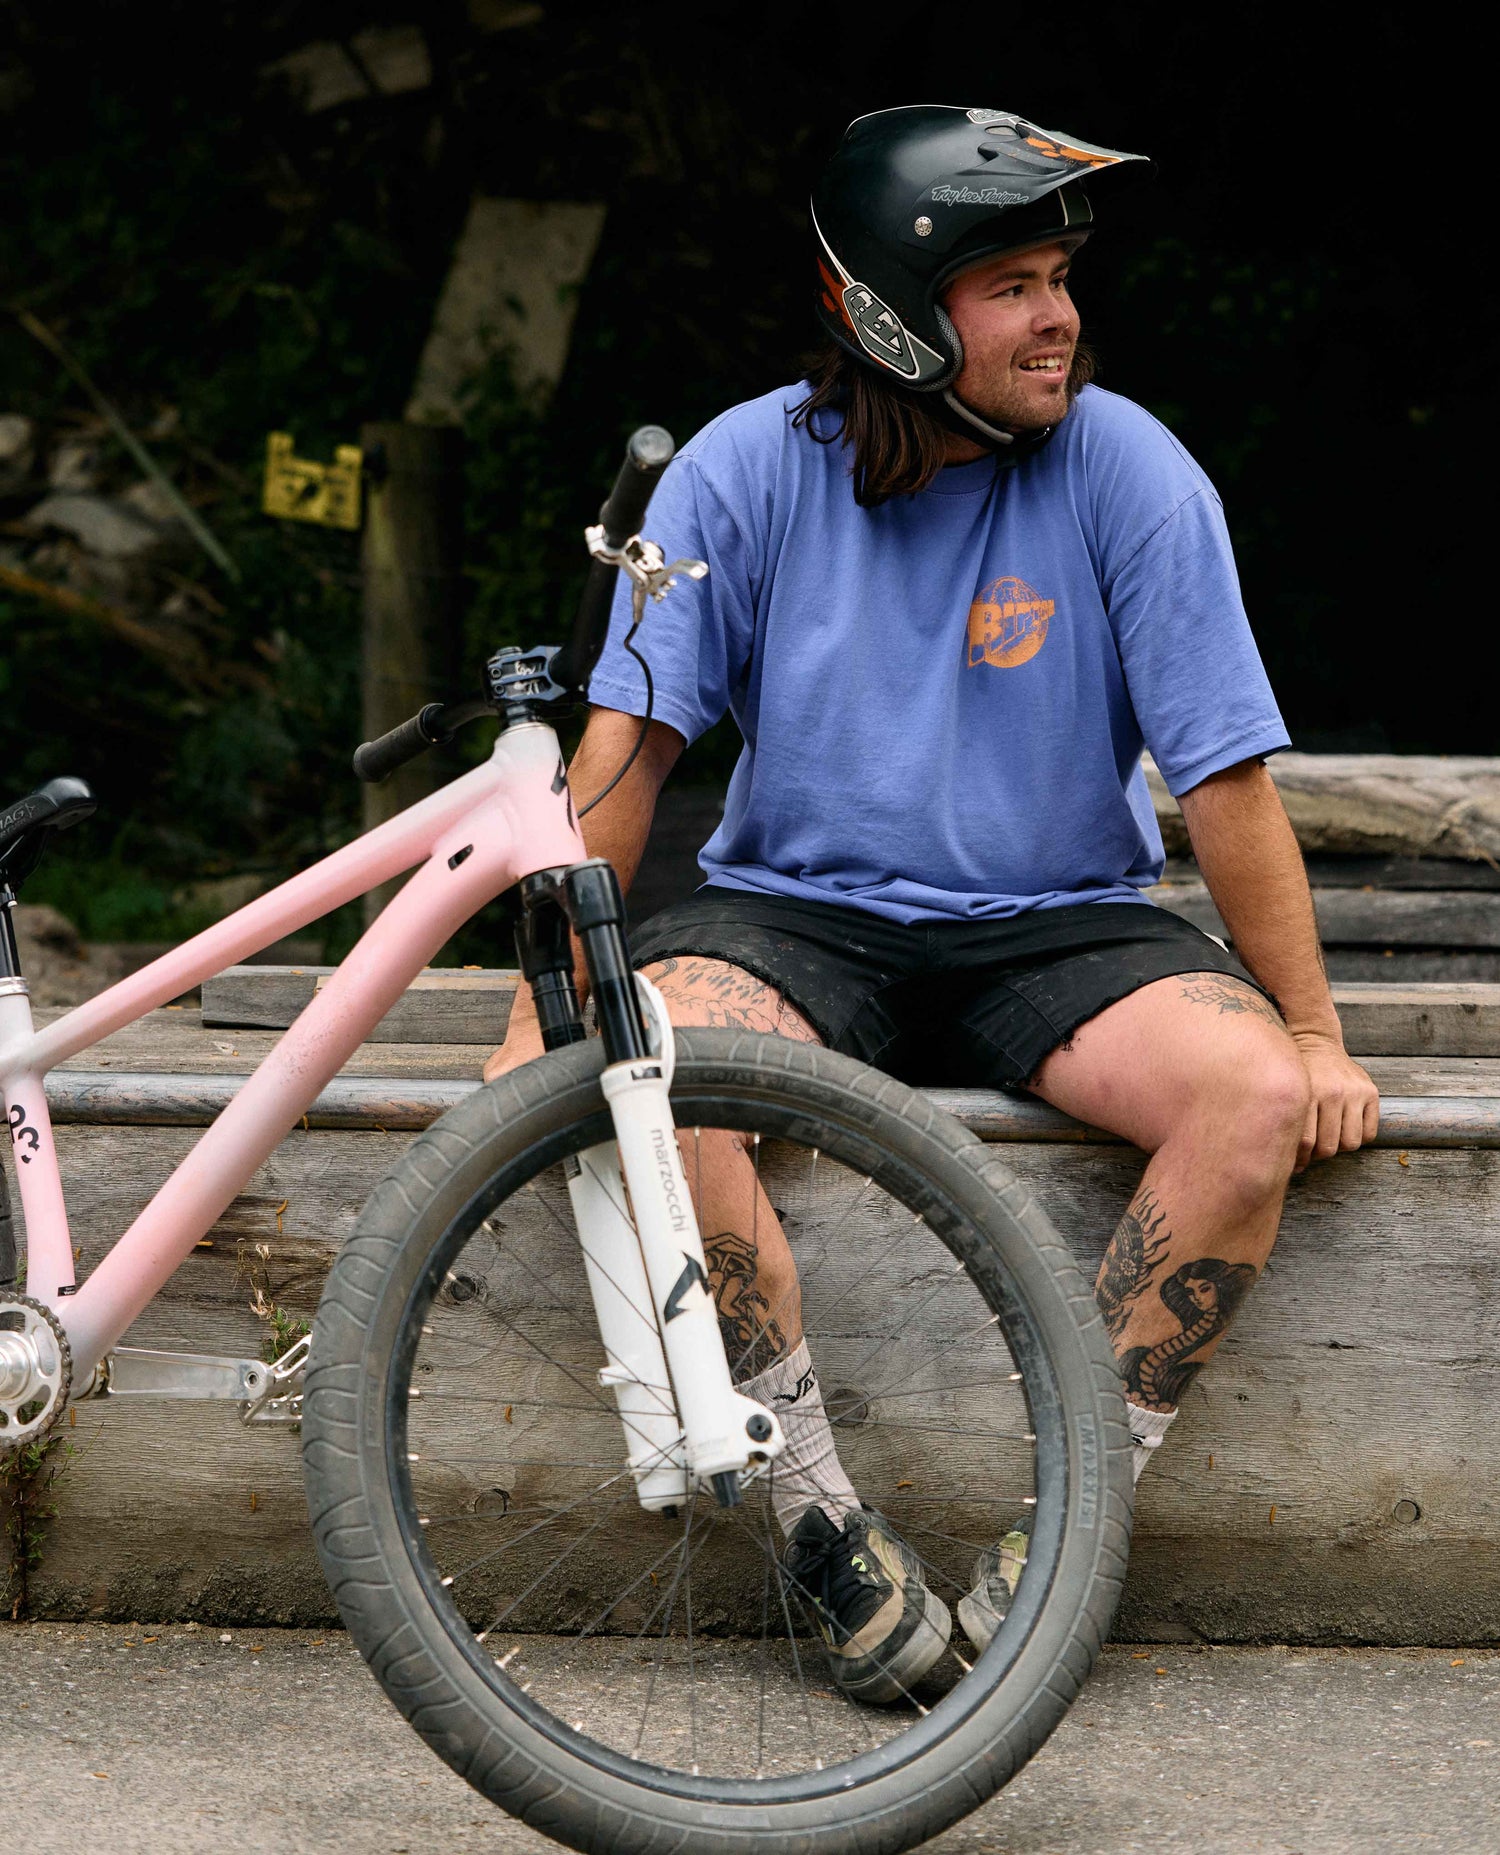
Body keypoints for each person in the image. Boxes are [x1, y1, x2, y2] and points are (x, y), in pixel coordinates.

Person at [486, 104, 1379, 1703]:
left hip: (1062, 919)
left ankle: (1071, 1526)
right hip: (796, 913)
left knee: (1249, 1094)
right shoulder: (741, 467)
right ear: (894, 315)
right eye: (1012, 286)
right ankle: (819, 1524)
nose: (1060, 317)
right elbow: (629, 753)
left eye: (1060, 280)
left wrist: (1311, 1034)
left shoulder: (1129, 466)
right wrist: (539, 1000)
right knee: (651, 1074)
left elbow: (1228, 782)